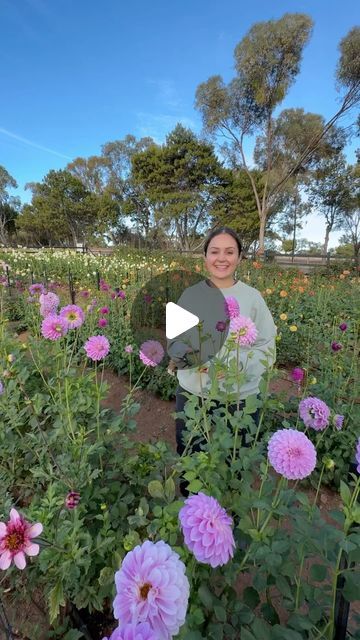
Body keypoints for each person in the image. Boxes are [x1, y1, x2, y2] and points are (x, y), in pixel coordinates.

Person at [167, 227, 277, 457]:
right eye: (215, 251)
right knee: (191, 455)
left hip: (239, 397)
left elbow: (266, 347)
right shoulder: (190, 295)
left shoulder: (252, 298)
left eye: (229, 252)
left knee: (235, 458)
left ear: (239, 257)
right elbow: (175, 341)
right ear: (205, 257)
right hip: (193, 393)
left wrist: (235, 368)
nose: (221, 258)